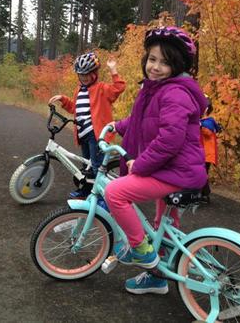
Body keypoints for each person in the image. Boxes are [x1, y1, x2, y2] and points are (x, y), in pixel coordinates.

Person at [104, 26, 208, 295]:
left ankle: (142, 252)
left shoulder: (174, 93)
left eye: (165, 62)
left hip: (176, 171)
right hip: (175, 170)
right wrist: (120, 125)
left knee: (115, 192)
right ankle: (158, 277)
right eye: (152, 59)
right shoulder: (156, 89)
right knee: (164, 225)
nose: (156, 67)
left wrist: (139, 165)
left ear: (178, 65)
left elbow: (169, 141)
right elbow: (142, 121)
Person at [49, 52, 126, 198]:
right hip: (83, 133)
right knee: (87, 166)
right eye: (81, 74)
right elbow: (75, 108)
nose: (83, 77)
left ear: (94, 73)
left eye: (87, 74)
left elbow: (118, 88)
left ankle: (101, 196)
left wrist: (113, 70)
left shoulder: (102, 88)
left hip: (96, 135)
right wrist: (63, 99)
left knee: (97, 167)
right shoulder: (79, 89)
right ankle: (85, 191)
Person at [200, 96, 222, 203]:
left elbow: (208, 132)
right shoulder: (201, 120)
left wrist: (200, 126)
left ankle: (205, 194)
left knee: (202, 173)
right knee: (200, 172)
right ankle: (201, 194)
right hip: (200, 152)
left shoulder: (209, 121)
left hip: (206, 153)